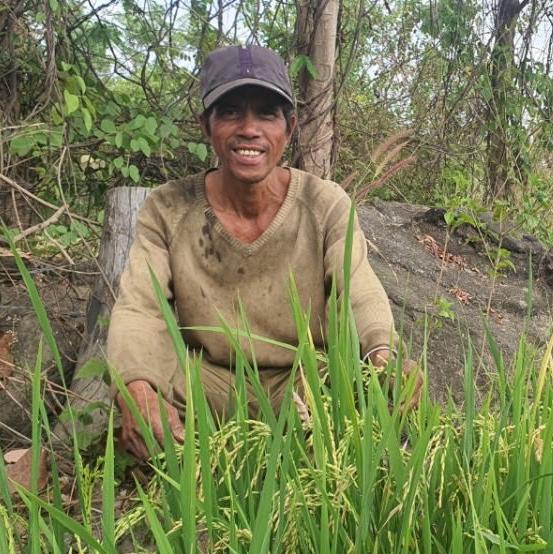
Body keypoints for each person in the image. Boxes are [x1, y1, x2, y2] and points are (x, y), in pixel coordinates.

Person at [106, 44, 420, 462]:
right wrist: (137, 387)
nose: (249, 129)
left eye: (267, 114)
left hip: (305, 380)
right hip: (209, 383)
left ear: (288, 128)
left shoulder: (325, 203)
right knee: (141, 384)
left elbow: (357, 288)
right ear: (206, 125)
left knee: (376, 388)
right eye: (231, 112)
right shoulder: (168, 208)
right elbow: (140, 308)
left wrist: (382, 353)